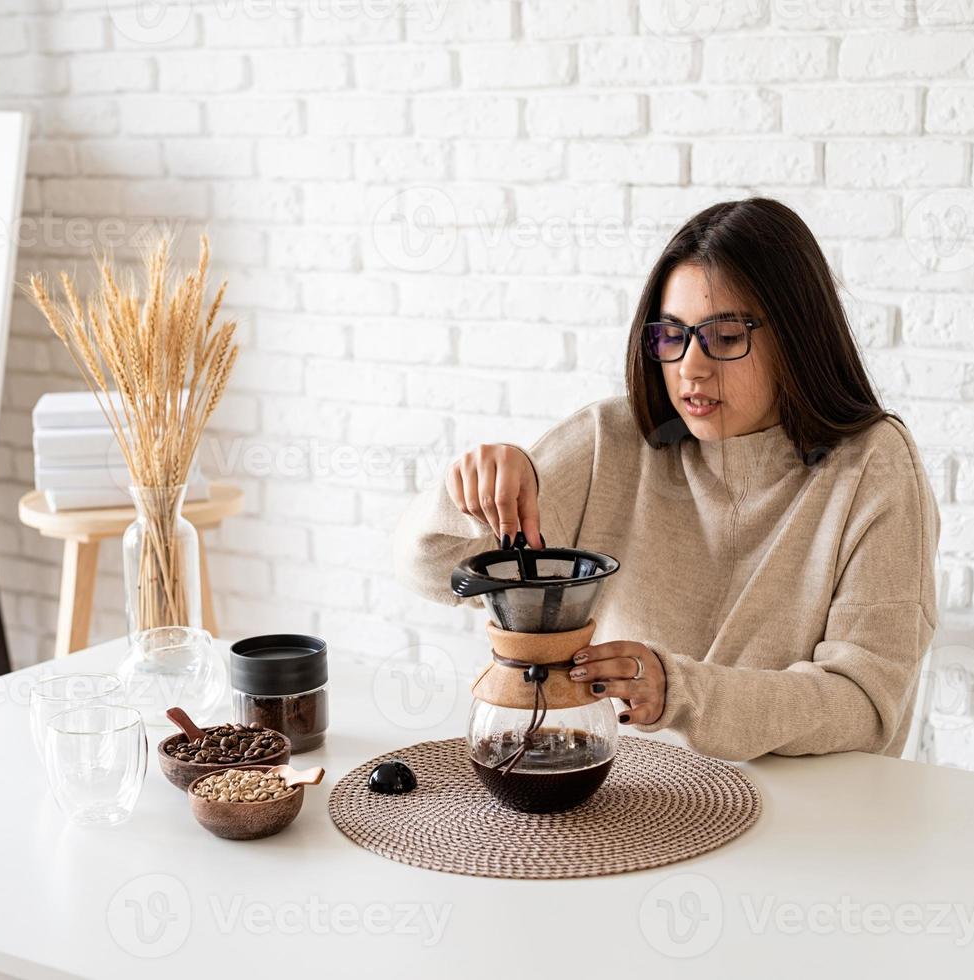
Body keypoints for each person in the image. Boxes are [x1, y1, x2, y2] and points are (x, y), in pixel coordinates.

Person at [393, 198, 941, 761]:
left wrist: (679, 691)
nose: (690, 368)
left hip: (806, 827)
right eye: (671, 336)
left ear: (798, 337)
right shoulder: (612, 440)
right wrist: (469, 490)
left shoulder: (873, 466)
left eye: (726, 337)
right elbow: (430, 569)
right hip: (632, 806)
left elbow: (865, 705)